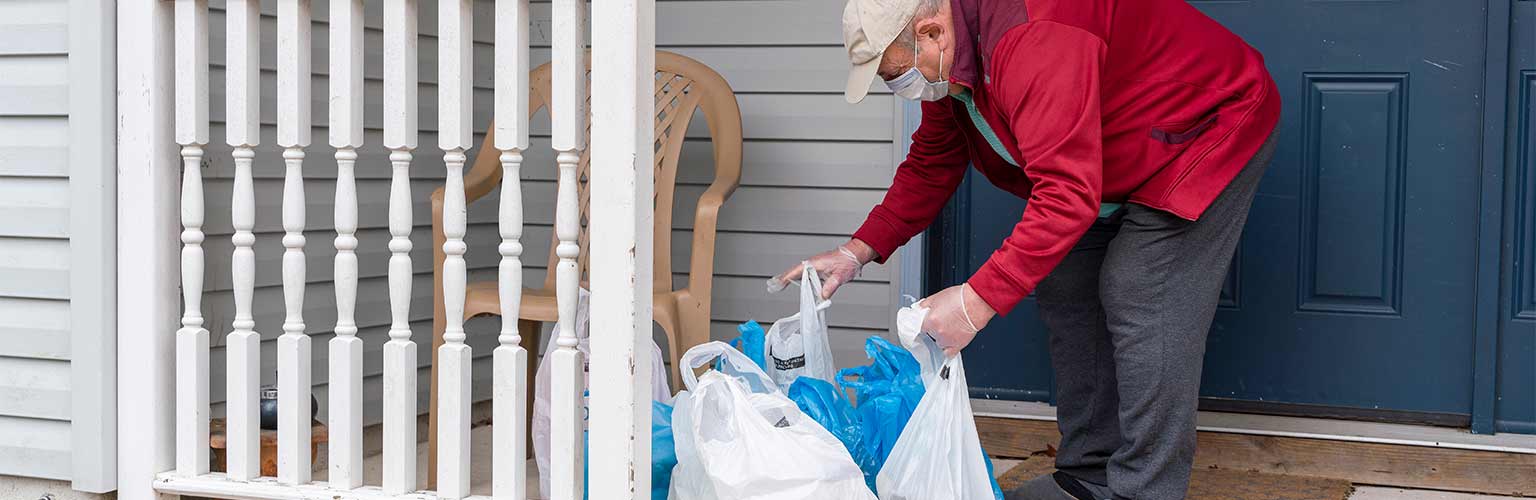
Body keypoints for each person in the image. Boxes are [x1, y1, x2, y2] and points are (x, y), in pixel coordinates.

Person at [769, 0, 1280, 498]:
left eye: (896, 73)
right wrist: (857, 251)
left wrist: (974, 303)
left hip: (1205, 127)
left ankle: (1145, 489)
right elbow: (932, 163)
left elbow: (1066, 195)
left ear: (930, 33)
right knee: (1066, 282)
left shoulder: (1035, 36)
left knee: (1141, 290)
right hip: (1108, 155)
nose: (900, 88)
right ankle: (1090, 475)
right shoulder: (953, 66)